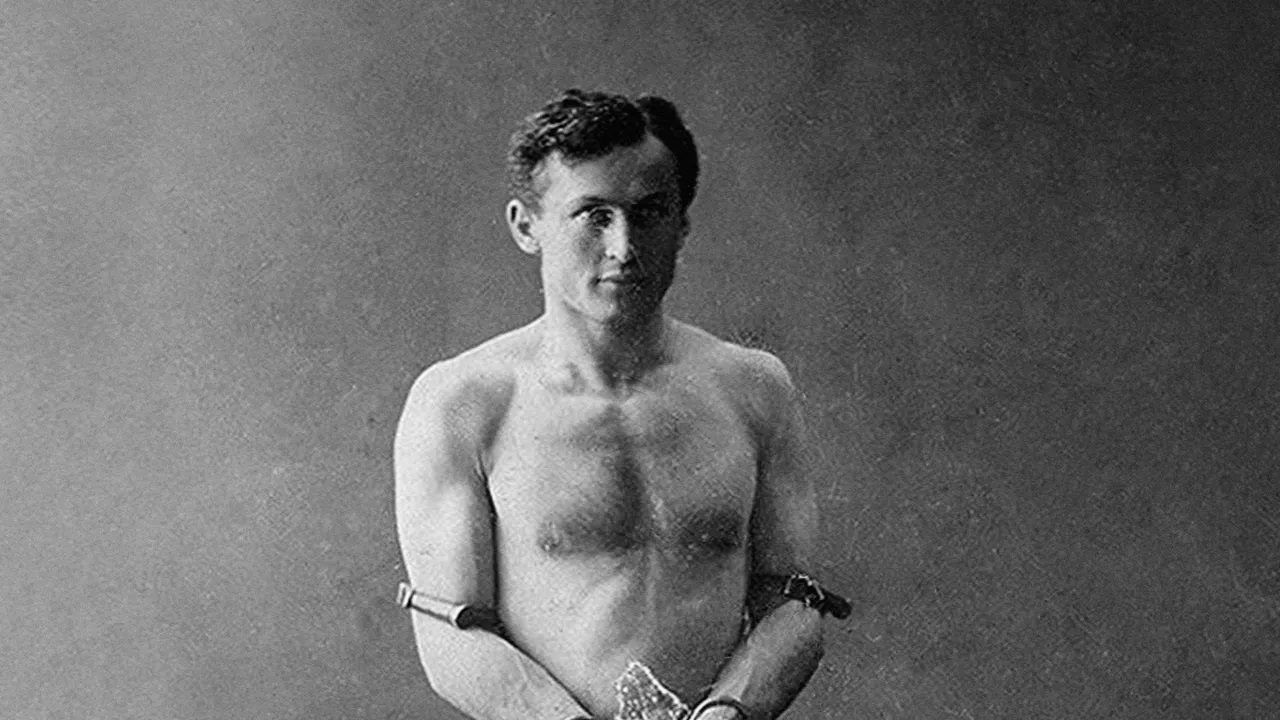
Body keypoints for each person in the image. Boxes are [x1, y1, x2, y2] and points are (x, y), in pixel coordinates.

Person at [394, 89, 843, 720]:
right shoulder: (463, 402)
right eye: (593, 215)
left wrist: (728, 714)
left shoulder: (754, 389)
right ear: (526, 226)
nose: (624, 247)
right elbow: (449, 631)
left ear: (682, 226)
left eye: (650, 212)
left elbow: (796, 604)